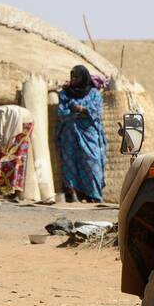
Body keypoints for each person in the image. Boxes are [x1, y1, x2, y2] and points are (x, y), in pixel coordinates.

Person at [56, 65, 107, 203]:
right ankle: (73, 193)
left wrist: (79, 109)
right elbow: (61, 114)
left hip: (89, 133)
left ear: (84, 77)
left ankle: (94, 195)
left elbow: (96, 112)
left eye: (76, 77)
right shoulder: (65, 94)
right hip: (69, 134)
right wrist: (77, 113)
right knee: (70, 163)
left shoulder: (94, 93)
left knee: (93, 161)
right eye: (72, 77)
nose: (73, 80)